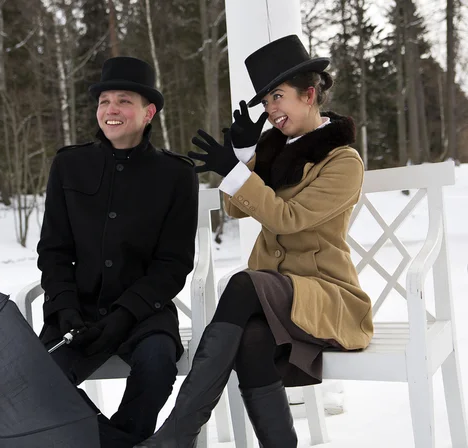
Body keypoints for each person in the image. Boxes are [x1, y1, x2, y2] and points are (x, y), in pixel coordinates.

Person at [137, 34, 374, 448]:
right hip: (276, 298)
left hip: (326, 298)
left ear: (310, 94)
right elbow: (235, 208)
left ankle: (180, 431)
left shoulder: (343, 161)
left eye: (278, 97)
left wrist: (237, 169)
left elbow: (288, 219)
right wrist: (247, 154)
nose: (271, 110)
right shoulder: (276, 151)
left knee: (244, 282)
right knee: (251, 339)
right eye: (266, 102)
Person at [36, 56, 199, 446]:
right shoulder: (69, 165)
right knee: (40, 381)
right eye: (104, 101)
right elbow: (54, 251)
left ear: (149, 112)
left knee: (158, 366)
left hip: (145, 315)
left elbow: (174, 263)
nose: (111, 110)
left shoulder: (176, 175)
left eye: (124, 100)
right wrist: (66, 308)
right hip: (76, 313)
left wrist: (127, 313)